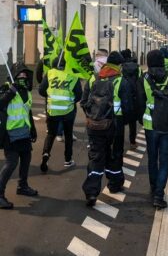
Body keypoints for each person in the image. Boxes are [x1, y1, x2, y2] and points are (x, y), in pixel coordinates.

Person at [81, 51, 131, 206]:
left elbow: (83, 102)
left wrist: (92, 116)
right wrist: (125, 122)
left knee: (96, 156)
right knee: (115, 155)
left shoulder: (93, 78)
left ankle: (91, 192)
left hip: (94, 125)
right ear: (119, 65)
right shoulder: (122, 81)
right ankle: (114, 184)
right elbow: (128, 106)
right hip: (115, 124)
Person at [137, 50, 168, 209]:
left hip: (150, 126)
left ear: (148, 63)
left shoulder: (143, 79)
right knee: (164, 161)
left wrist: (141, 120)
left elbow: (141, 103)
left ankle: (153, 185)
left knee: (152, 158)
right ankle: (159, 195)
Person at [0, 63, 38, 209]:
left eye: (25, 75)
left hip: (24, 133)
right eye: (20, 75)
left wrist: (33, 129)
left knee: (26, 158)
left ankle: (22, 186)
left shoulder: (26, 91)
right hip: (9, 134)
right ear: (14, 75)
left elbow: (27, 111)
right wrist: (10, 92)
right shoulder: (6, 88)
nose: (23, 77)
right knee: (11, 163)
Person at [39, 55, 82, 172]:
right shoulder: (73, 75)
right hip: (68, 111)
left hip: (52, 110)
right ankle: (68, 160)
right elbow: (79, 95)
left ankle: (46, 154)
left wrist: (50, 96)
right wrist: (70, 101)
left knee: (51, 134)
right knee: (68, 135)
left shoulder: (50, 73)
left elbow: (41, 90)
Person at [120, 49, 140, 149]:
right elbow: (140, 82)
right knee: (133, 123)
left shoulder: (120, 68)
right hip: (134, 98)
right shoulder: (137, 67)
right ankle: (132, 142)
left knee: (121, 122)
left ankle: (120, 143)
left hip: (122, 98)